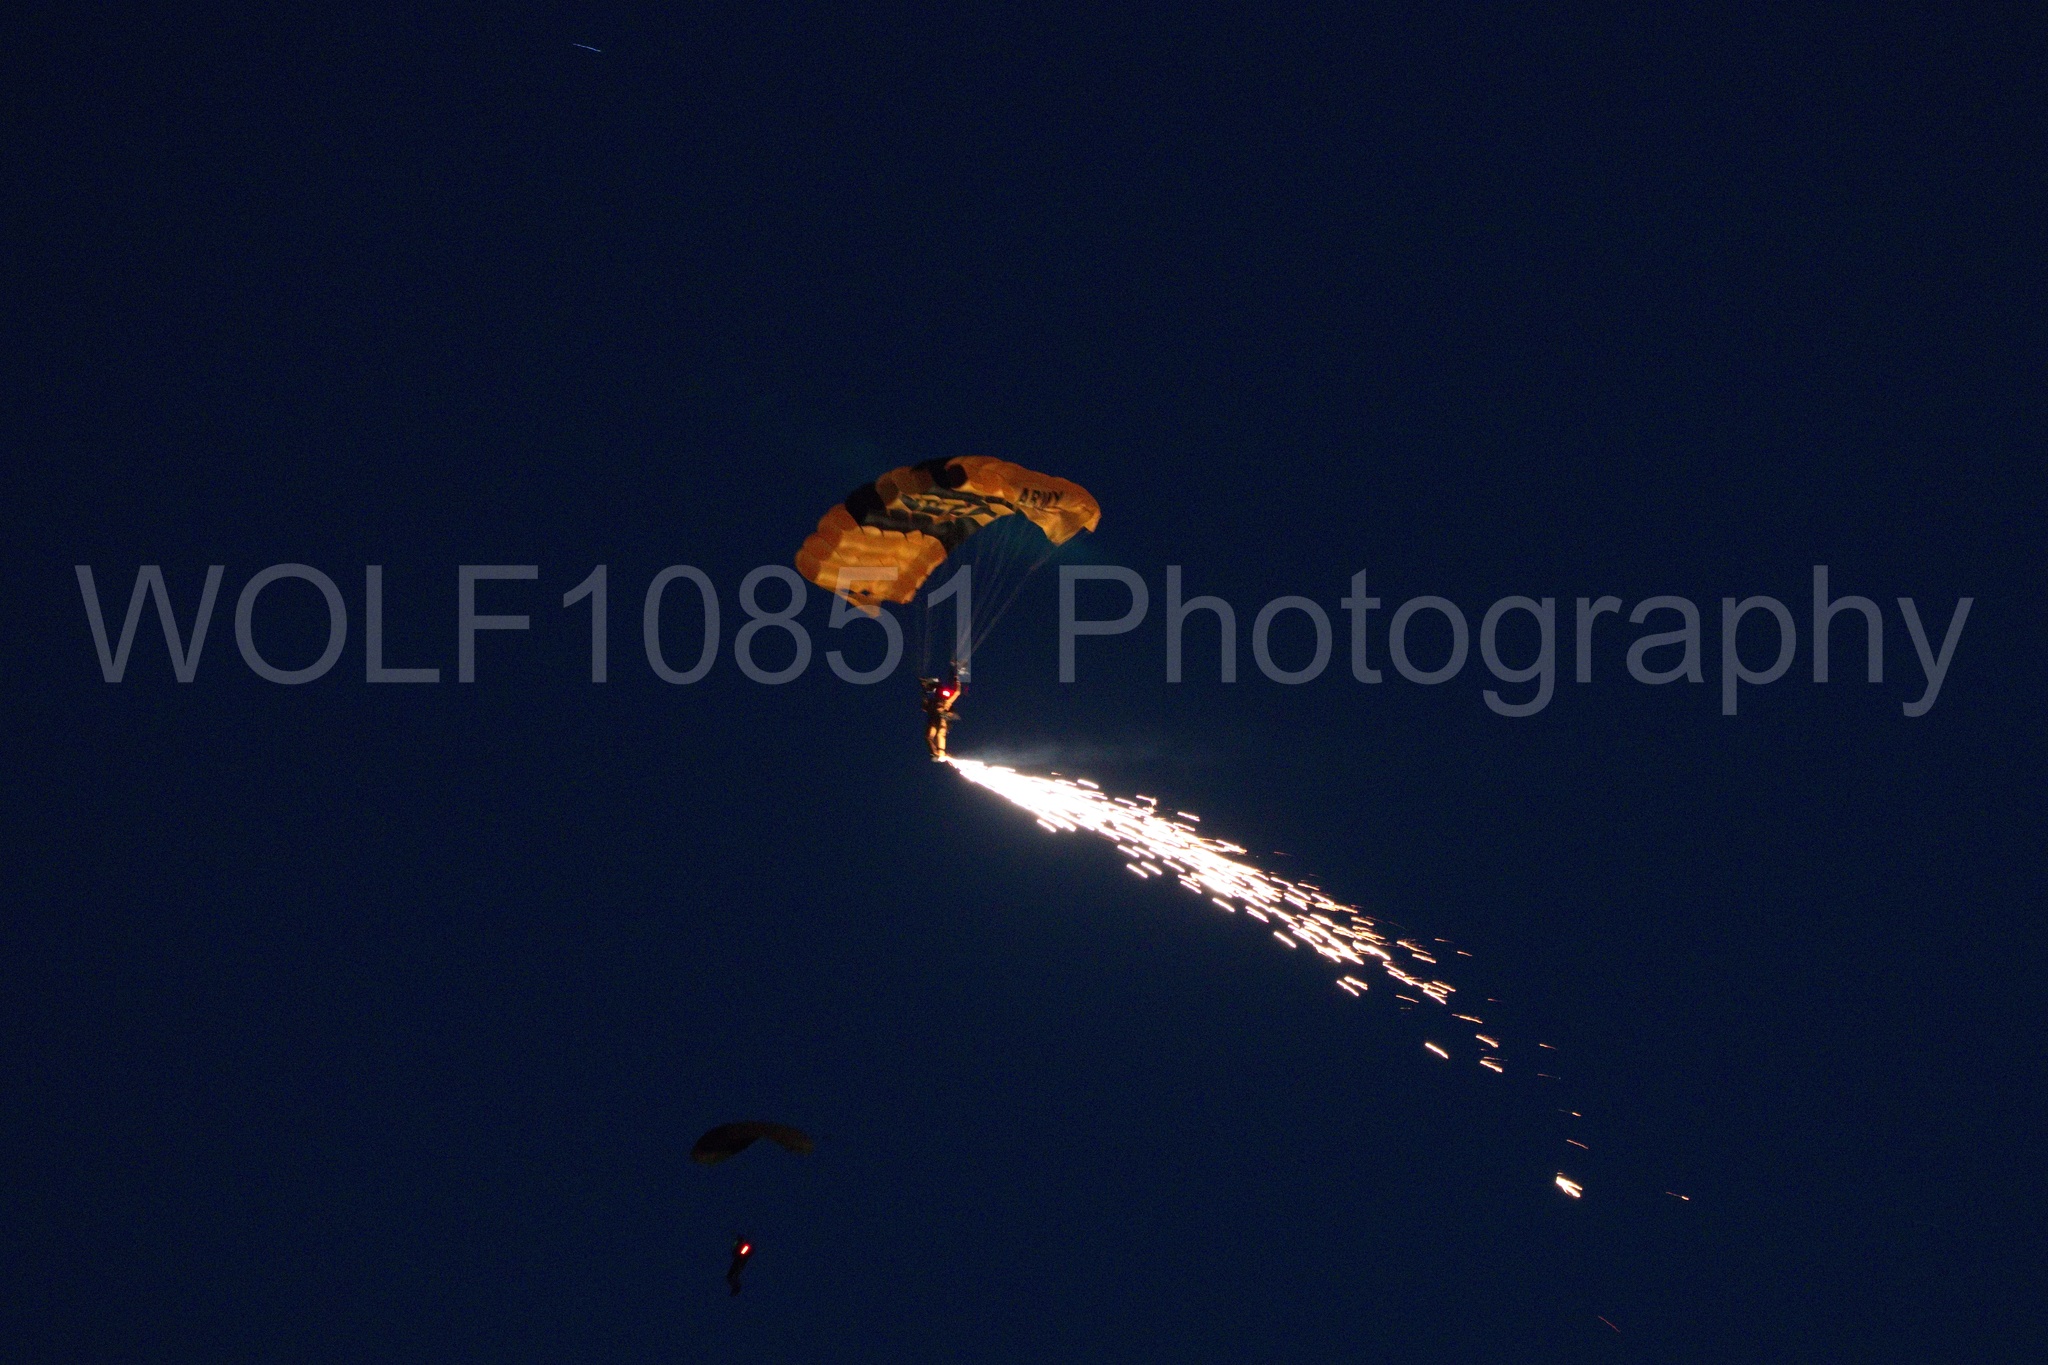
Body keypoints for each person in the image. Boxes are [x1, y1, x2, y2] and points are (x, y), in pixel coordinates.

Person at [918, 667, 963, 760]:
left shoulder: (946, 702)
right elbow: (924, 706)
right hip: (933, 719)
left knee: (940, 733)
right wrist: (924, 691)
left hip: (942, 717)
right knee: (928, 737)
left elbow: (957, 692)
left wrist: (957, 680)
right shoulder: (932, 702)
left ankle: (941, 753)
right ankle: (935, 753)